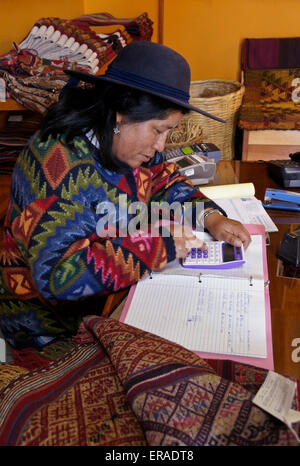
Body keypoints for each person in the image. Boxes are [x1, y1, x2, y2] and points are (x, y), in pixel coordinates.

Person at [0, 41, 251, 350]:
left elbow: (162, 181)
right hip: (48, 323)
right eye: (159, 130)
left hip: (109, 296)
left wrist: (210, 217)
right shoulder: (57, 163)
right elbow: (57, 277)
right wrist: (160, 245)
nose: (162, 145)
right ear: (121, 115)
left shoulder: (130, 145)